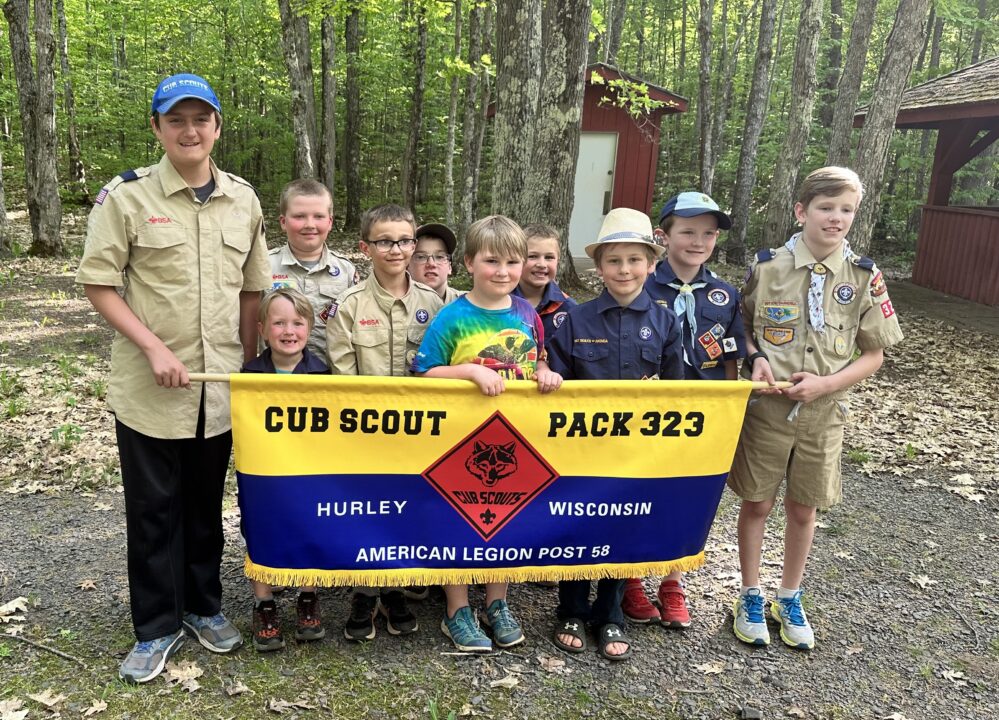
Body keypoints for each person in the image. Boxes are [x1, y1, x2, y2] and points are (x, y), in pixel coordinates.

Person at [76, 73, 271, 683]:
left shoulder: (243, 199)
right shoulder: (127, 199)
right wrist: (154, 348)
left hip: (218, 389)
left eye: (201, 119)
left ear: (217, 126)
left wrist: (247, 358)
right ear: (158, 128)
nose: (191, 131)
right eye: (176, 120)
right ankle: (156, 626)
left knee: (205, 506)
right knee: (153, 511)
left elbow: (252, 288)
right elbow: (98, 284)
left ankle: (204, 609)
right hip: (149, 391)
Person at [729, 167, 903, 650]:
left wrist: (826, 383)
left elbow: (874, 354)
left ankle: (789, 594)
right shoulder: (768, 269)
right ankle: (749, 592)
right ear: (802, 211)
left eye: (846, 209)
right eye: (826, 208)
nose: (836, 218)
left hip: (824, 415)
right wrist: (756, 357)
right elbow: (738, 324)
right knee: (758, 502)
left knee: (803, 508)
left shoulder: (864, 277)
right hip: (766, 410)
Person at [412, 215, 562, 652]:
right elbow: (425, 372)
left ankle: (497, 602)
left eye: (512, 262)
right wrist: (469, 372)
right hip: (461, 441)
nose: (503, 272)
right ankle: (457, 608)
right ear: (469, 263)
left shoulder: (527, 313)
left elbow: (536, 359)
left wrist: (544, 372)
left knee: (508, 518)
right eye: (491, 261)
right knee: (458, 519)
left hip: (515, 440)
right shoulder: (453, 317)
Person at [545, 208, 683, 661]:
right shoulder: (574, 320)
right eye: (614, 261)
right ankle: (569, 608)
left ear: (651, 264)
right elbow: (555, 391)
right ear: (599, 267)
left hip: (635, 453)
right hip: (581, 450)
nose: (624, 270)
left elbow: (676, 394)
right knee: (575, 524)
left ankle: (610, 613)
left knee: (622, 525)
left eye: (634, 260)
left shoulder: (666, 323)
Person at [623, 192, 746, 629]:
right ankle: (632, 576)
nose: (699, 241)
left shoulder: (725, 294)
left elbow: (731, 359)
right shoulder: (639, 283)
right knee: (638, 490)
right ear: (664, 235)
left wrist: (728, 414)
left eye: (708, 233)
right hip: (650, 409)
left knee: (687, 495)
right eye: (688, 232)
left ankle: (673, 580)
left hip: (704, 412)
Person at [327, 203, 444, 641]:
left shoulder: (434, 305)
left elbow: (442, 364)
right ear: (365, 247)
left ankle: (395, 586)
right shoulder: (349, 307)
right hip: (367, 431)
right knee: (367, 511)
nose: (396, 249)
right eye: (384, 241)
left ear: (414, 244)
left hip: (421, 433)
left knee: (408, 509)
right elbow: (343, 377)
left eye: (404, 240)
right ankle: (363, 589)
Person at [241, 288, 330, 651]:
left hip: (308, 471)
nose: (288, 331)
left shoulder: (323, 373)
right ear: (263, 329)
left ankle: (308, 598)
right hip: (264, 474)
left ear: (309, 328)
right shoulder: (250, 375)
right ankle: (264, 604)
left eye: (297, 323)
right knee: (260, 530)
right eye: (279, 323)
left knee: (308, 528)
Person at [268, 178, 358, 358]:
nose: (310, 225)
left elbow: (354, 330)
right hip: (276, 376)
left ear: (330, 222)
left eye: (318, 216)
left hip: (330, 376)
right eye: (299, 216)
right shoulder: (265, 266)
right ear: (283, 222)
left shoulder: (346, 271)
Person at [512, 223, 577, 341]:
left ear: (558, 261)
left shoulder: (569, 308)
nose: (542, 264)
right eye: (532, 256)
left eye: (549, 257)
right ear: (517, 259)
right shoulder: (500, 302)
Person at [408, 222, 465, 304]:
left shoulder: (470, 306)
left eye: (439, 257)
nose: (431, 264)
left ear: (449, 266)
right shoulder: (397, 307)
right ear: (408, 266)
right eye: (421, 257)